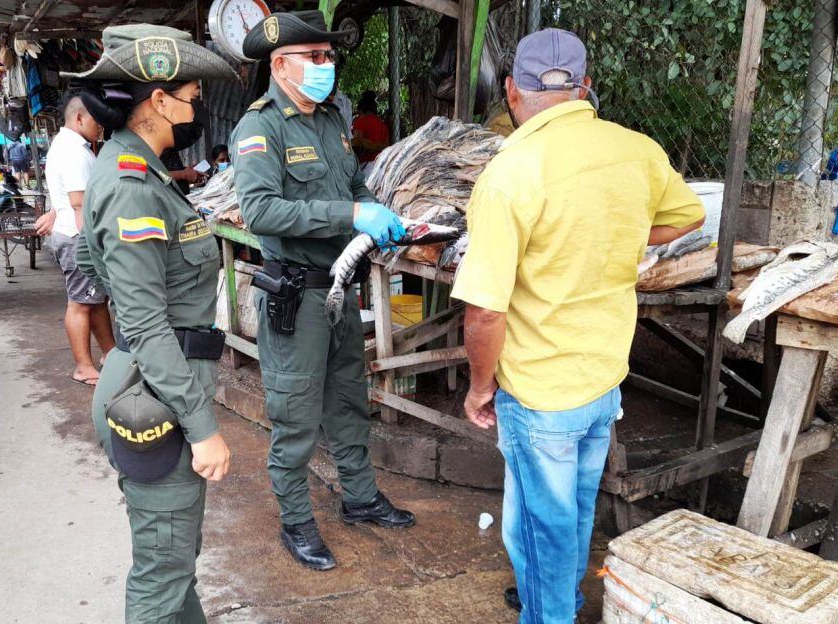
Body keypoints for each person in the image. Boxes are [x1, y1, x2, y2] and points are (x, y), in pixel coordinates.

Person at [451, 29, 705, 624]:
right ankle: (558, 600)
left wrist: (480, 386)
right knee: (569, 512)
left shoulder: (511, 172)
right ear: (585, 86)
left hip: (541, 393)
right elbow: (688, 215)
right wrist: (612, 236)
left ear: (512, 91)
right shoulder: (634, 149)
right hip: (603, 379)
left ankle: (552, 615)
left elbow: (485, 310)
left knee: (545, 528)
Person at [231, 10, 415, 573]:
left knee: (348, 400)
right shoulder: (260, 128)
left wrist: (374, 207)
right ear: (281, 65)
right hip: (296, 294)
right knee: (295, 414)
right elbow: (260, 209)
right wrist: (349, 211)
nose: (326, 66)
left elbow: (351, 183)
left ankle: (360, 498)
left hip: (341, 287)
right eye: (315, 57)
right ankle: (297, 521)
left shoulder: (332, 117)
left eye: (329, 57)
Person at [66, 23, 238, 623]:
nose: (197, 111)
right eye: (192, 98)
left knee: (174, 558)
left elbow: (94, 268)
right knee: (162, 571)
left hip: (150, 382)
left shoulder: (138, 171)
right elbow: (141, 322)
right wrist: (201, 425)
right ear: (159, 102)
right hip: (159, 398)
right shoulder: (132, 185)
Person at [32, 95, 115, 387]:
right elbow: (80, 203)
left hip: (72, 233)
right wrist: (93, 245)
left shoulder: (68, 146)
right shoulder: (74, 151)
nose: (101, 127)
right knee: (80, 303)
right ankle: (83, 366)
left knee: (95, 300)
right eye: (97, 121)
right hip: (78, 236)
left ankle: (110, 354)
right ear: (79, 118)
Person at [350, 91, 390, 164]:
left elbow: (356, 144)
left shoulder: (361, 121)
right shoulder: (382, 124)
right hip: (382, 162)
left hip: (367, 163)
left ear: (361, 110)